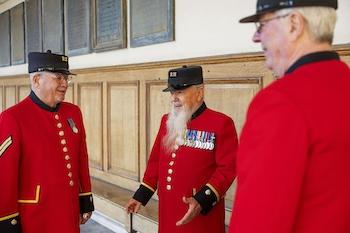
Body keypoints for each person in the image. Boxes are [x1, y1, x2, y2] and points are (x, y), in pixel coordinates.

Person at [229, 0, 350, 233]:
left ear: (294, 24)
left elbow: (258, 223)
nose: (256, 37)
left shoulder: (280, 102)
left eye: (262, 25)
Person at [126, 65, 238, 232]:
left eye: (180, 92)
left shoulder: (221, 123)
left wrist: (202, 200)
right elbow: (156, 160)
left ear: (200, 92)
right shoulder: (167, 120)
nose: (173, 98)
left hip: (199, 213)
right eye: (172, 93)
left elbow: (229, 168)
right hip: (168, 209)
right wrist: (141, 195)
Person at [0, 50, 94, 233]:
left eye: (66, 78)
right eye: (58, 77)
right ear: (36, 79)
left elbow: (81, 158)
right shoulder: (12, 118)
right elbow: (4, 175)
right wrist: (7, 220)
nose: (65, 84)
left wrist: (85, 197)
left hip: (68, 211)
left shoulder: (73, 112)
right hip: (35, 216)